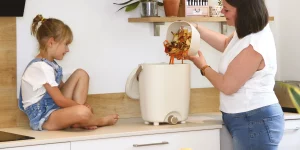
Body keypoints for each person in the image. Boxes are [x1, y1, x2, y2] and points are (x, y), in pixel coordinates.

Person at [188, 0, 284, 149]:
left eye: (226, 10)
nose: (222, 12)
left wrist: (203, 66)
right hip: (245, 118)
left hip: (255, 120)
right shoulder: (248, 32)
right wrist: (197, 29)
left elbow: (227, 86)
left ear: (244, 12)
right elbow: (227, 43)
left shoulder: (255, 44)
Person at [18, 14, 119, 131]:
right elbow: (60, 100)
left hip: (54, 110)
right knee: (83, 111)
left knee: (81, 74)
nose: (67, 49)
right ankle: (97, 120)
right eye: (65, 44)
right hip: (45, 118)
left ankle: (78, 119)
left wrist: (79, 105)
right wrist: (80, 107)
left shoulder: (50, 65)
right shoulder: (40, 67)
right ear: (51, 43)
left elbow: (61, 89)